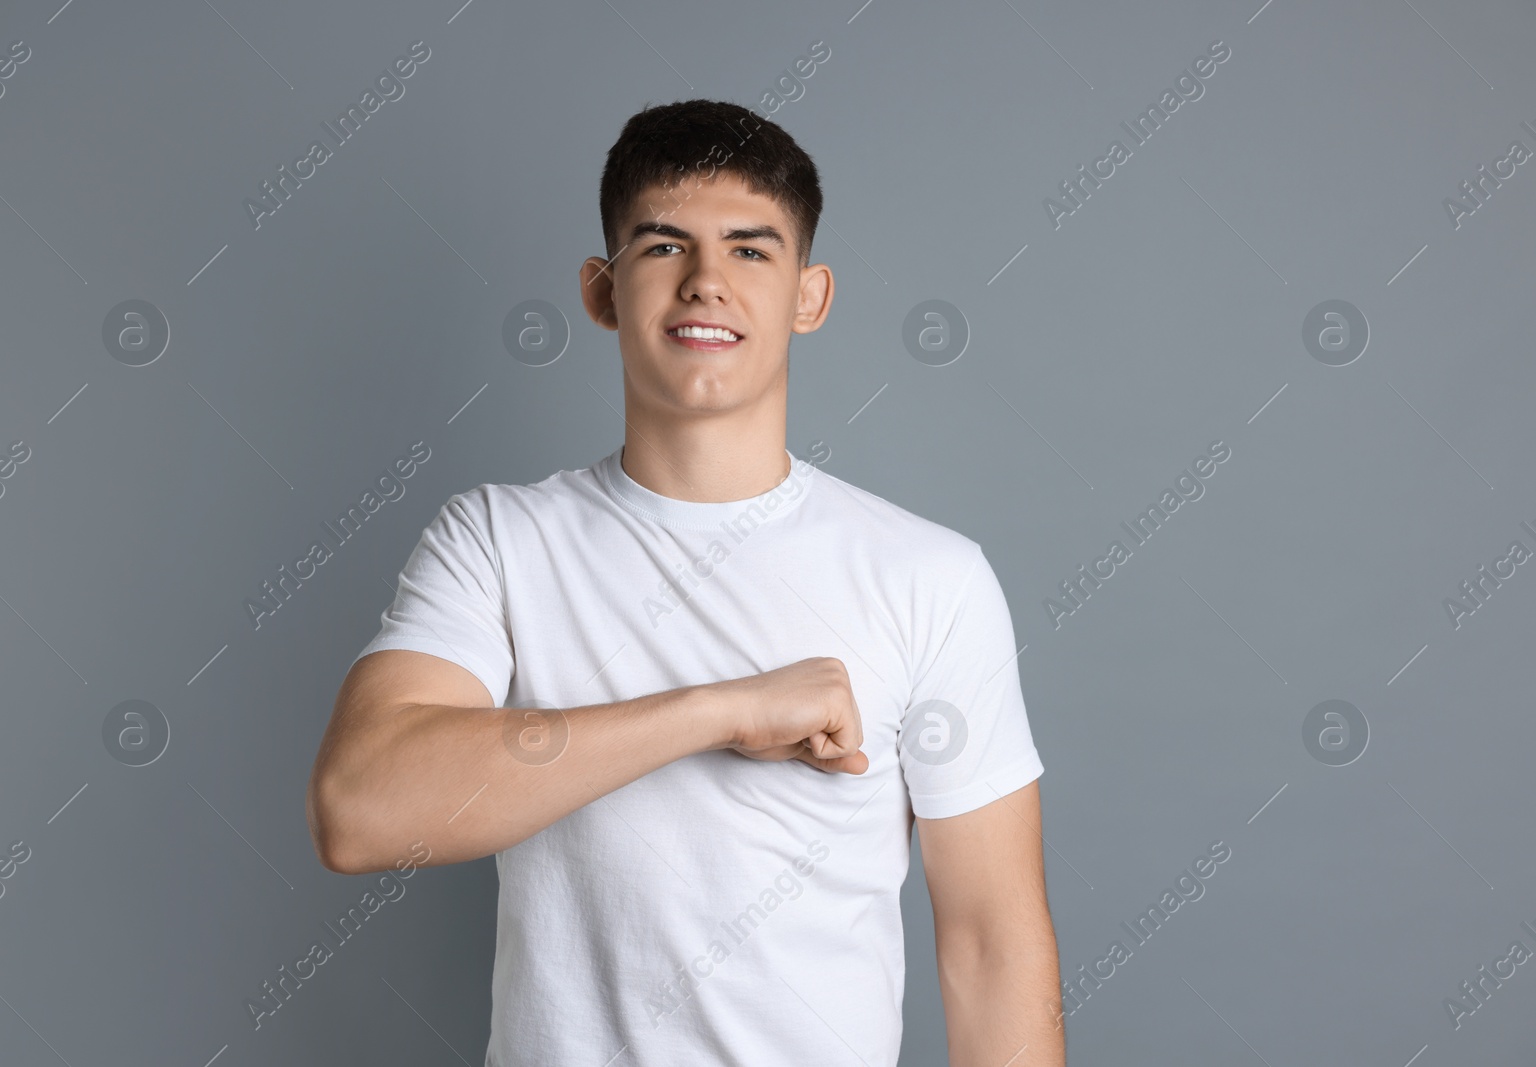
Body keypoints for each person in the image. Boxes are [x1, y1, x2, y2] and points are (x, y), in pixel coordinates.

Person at [306, 98, 1064, 1067]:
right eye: (664, 247)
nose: (707, 282)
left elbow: (993, 948)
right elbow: (362, 809)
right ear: (601, 289)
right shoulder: (498, 539)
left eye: (751, 250)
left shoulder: (929, 576)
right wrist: (719, 710)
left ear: (809, 295)